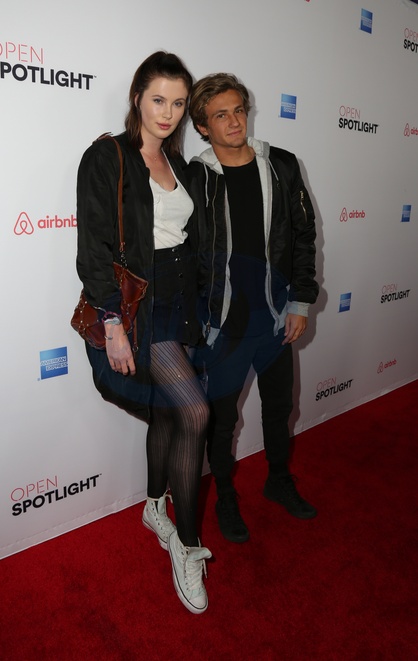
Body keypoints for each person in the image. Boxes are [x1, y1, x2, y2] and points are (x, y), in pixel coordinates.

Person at [76, 52, 211, 613]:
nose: (168, 112)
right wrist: (112, 322)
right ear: (137, 97)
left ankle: (155, 506)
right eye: (158, 99)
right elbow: (94, 247)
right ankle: (187, 546)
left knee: (169, 413)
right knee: (194, 411)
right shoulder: (107, 157)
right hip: (138, 309)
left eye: (178, 103)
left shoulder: (180, 163)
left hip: (181, 303)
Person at [188, 73, 319, 543]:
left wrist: (300, 300)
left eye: (239, 110)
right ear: (202, 127)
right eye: (221, 115)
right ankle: (225, 495)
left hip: (276, 318)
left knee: (280, 408)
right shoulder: (194, 177)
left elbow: (303, 236)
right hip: (223, 327)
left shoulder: (281, 165)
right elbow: (182, 255)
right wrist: (198, 322)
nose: (234, 122)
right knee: (221, 423)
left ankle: (278, 480)